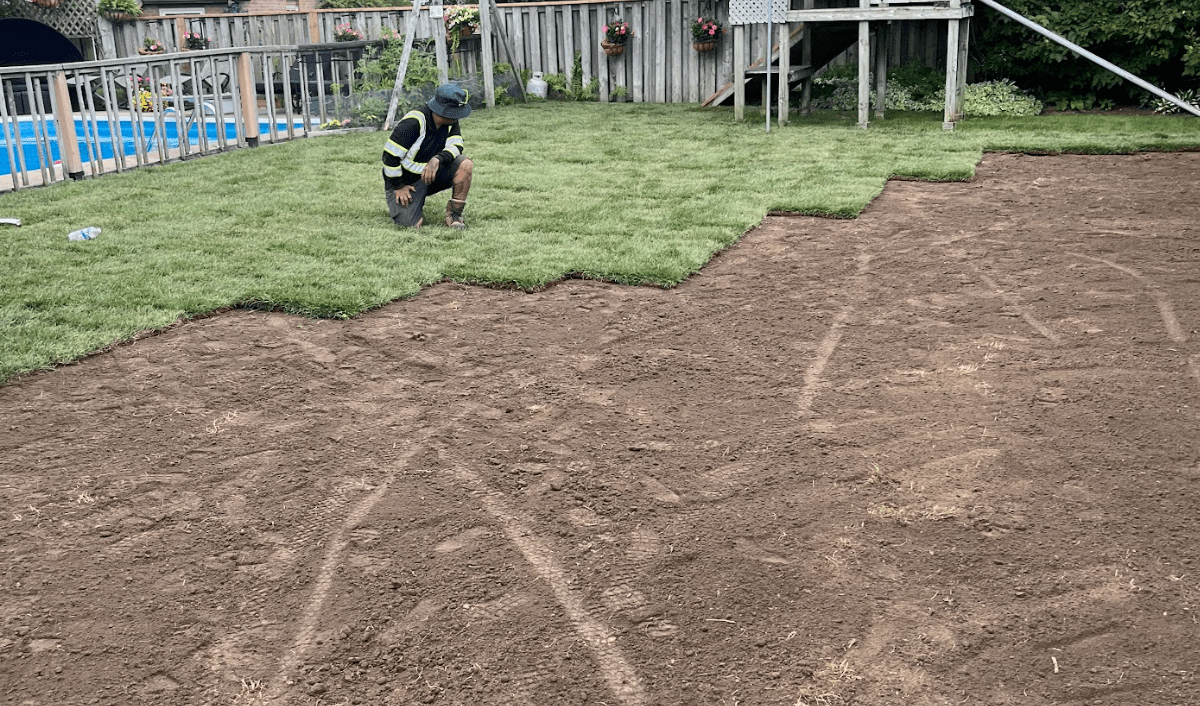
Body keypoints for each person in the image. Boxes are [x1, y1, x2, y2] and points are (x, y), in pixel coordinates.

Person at [382, 84, 474, 229]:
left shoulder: (450, 122)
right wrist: (399, 186)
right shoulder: (413, 122)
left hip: (431, 175)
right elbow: (389, 157)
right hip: (405, 183)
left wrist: (437, 159)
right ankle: (403, 203)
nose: (459, 116)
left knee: (465, 164)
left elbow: (457, 146)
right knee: (412, 225)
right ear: (446, 112)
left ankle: (455, 214)